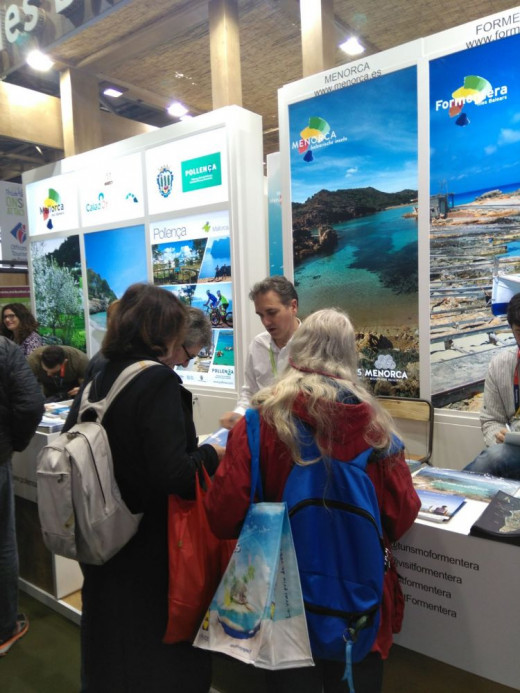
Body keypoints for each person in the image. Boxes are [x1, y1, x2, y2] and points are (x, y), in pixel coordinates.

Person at [205, 308, 420, 693]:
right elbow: (401, 517)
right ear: (348, 356)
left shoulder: (259, 423)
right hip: (359, 604)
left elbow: (222, 516)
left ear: (298, 351)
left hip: (280, 603)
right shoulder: (377, 431)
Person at [63, 283, 224, 693]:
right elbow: (175, 474)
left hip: (99, 531)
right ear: (162, 331)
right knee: (154, 652)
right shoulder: (155, 382)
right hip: (146, 541)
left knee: (107, 643)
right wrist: (213, 454)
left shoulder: (100, 370)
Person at [0, 336, 45, 656]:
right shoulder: (4, 349)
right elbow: (30, 404)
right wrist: (13, 443)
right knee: (2, 541)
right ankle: (5, 628)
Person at [219, 275, 300, 430]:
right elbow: (250, 392)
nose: (266, 322)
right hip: (265, 434)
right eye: (261, 315)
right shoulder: (258, 344)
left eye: (271, 312)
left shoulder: (313, 345)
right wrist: (238, 414)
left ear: (293, 306)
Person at [464, 292, 520, 479]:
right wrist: (499, 437)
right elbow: (490, 420)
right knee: (495, 455)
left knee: (492, 459)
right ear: (512, 329)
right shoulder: (500, 365)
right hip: (513, 450)